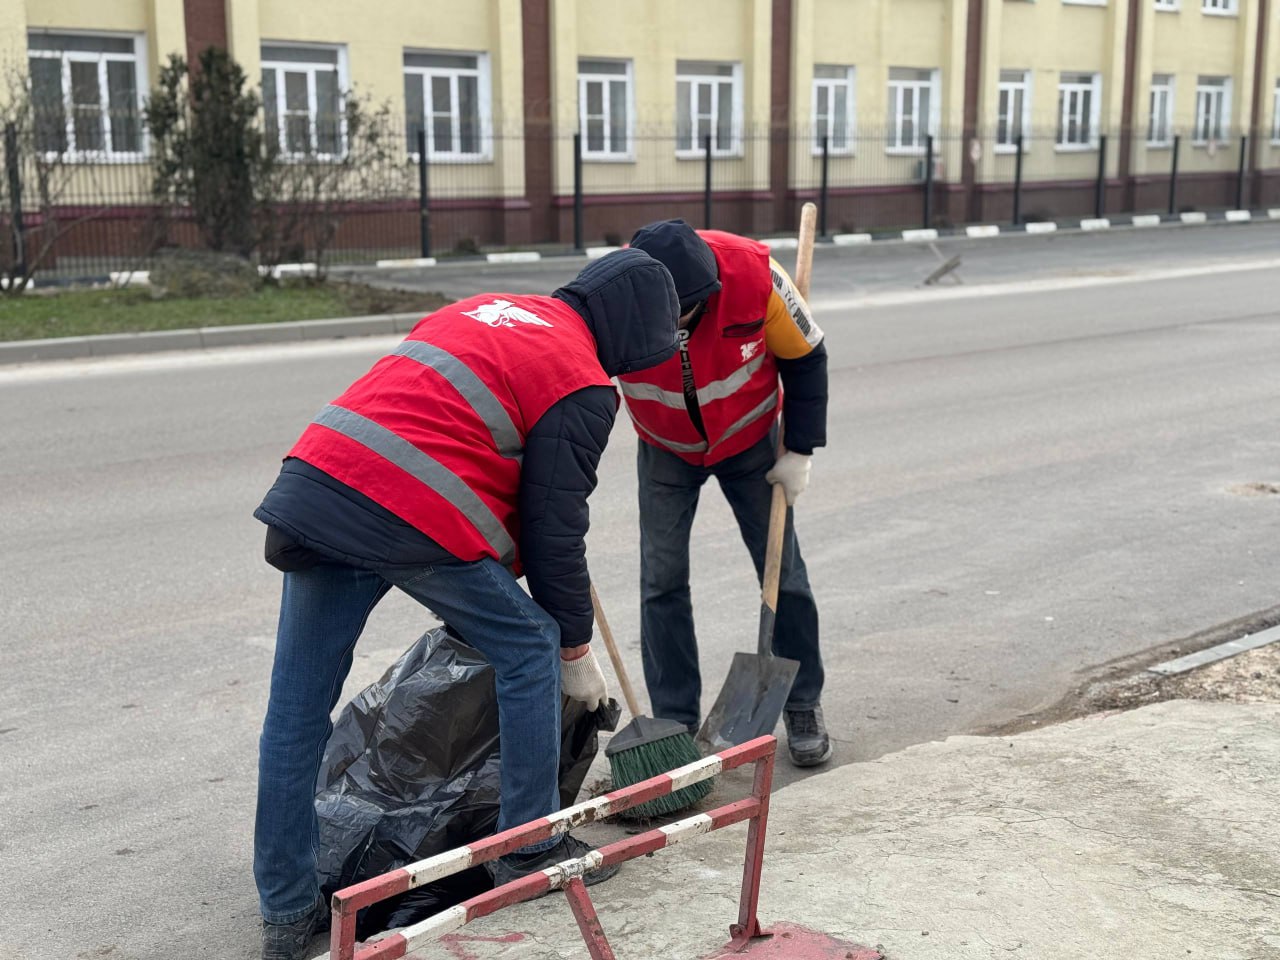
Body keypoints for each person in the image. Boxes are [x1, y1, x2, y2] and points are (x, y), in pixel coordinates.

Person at [251, 249, 680, 960]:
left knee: (295, 710)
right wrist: (575, 650)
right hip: (404, 509)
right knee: (529, 646)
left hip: (317, 488)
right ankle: (527, 847)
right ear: (634, 333)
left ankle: (287, 910)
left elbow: (453, 435)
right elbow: (552, 533)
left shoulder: (481, 309)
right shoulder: (580, 381)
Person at [619, 219, 830, 768]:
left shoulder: (756, 277)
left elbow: (807, 358)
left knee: (783, 574)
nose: (676, 324)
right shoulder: (614, 291)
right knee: (660, 581)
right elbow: (572, 378)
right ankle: (674, 719)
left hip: (751, 441)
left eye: (685, 314)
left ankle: (802, 700)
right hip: (664, 446)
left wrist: (800, 450)